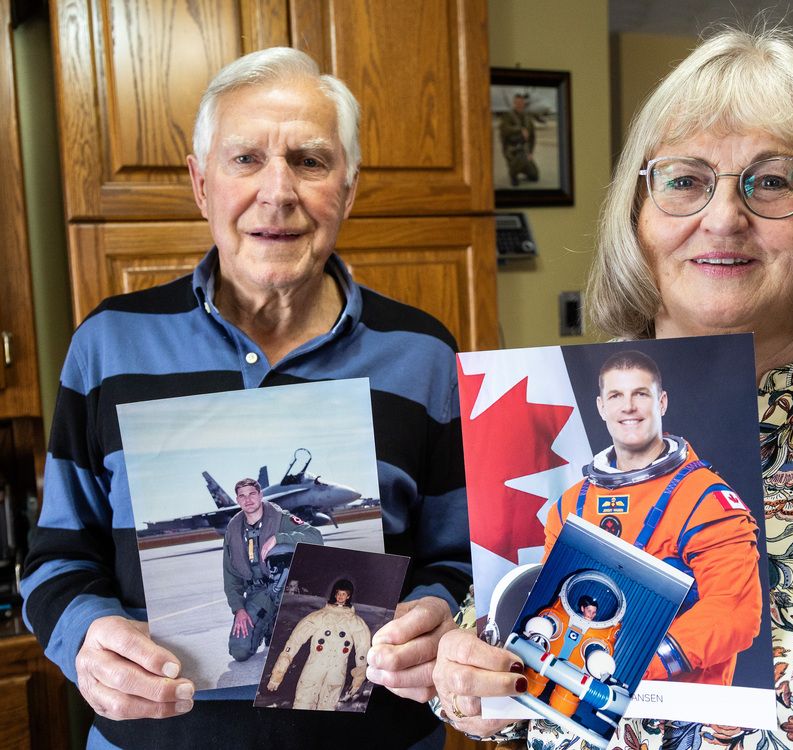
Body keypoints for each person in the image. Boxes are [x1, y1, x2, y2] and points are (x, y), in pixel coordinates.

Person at [432, 22, 793, 750]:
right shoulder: (572, 406)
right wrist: (468, 686)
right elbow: (509, 671)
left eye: (772, 181)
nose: (725, 217)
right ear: (636, 217)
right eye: (684, 180)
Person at [21, 47, 468, 749]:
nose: (278, 191)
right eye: (245, 160)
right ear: (202, 185)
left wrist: (441, 614)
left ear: (348, 190)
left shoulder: (425, 355)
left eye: (310, 161)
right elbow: (56, 556)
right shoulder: (107, 345)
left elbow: (463, 559)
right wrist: (85, 637)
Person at [544, 349, 761, 685]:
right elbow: (550, 598)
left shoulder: (706, 499)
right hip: (580, 690)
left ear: (661, 403)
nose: (628, 406)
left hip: (681, 715)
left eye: (640, 394)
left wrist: (633, 662)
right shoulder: (570, 505)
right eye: (616, 395)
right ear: (602, 407)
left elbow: (734, 611)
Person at [223, 477, 322, 662]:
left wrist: (280, 538)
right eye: (242, 496)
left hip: (288, 590)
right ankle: (269, 625)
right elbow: (230, 576)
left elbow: (316, 537)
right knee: (239, 651)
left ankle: (283, 619)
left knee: (303, 647)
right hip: (259, 593)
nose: (248, 499)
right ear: (237, 500)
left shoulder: (280, 519)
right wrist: (238, 609)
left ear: (260, 495)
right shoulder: (233, 531)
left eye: (252, 494)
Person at [265, 578, 372, 710]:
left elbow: (363, 650)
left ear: (348, 596)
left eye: (344, 594)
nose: (340, 597)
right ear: (334, 594)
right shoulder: (318, 617)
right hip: (314, 668)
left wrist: (358, 679)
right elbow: (293, 643)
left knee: (327, 705)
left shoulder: (356, 623)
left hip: (337, 671)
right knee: (303, 703)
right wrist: (277, 675)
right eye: (338, 593)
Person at [498, 93, 538, 186]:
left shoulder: (528, 118)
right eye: (517, 102)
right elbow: (504, 130)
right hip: (512, 151)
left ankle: (521, 168)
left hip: (524, 151)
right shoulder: (508, 116)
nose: (520, 104)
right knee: (515, 182)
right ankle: (513, 174)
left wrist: (531, 152)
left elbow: (532, 138)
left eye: (521, 102)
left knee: (534, 176)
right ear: (514, 103)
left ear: (524, 103)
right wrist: (520, 129)